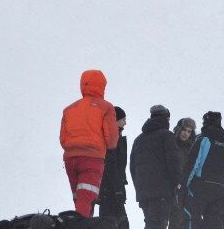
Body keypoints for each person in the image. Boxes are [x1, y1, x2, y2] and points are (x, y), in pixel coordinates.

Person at [60, 69, 120, 217]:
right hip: (92, 159)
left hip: (70, 159)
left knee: (79, 200)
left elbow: (63, 139)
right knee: (87, 200)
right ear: (102, 86)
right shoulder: (106, 107)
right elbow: (112, 140)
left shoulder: (69, 109)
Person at [130, 106, 182, 229]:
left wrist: (139, 188)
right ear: (166, 118)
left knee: (151, 223)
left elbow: (132, 167)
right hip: (162, 192)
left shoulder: (139, 139)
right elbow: (173, 162)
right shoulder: (166, 136)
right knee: (158, 224)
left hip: (144, 192)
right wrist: (177, 182)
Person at [184, 111, 224, 229]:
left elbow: (193, 164)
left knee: (194, 219)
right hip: (218, 188)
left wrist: (185, 185)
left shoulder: (203, 140)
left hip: (200, 187)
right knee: (214, 221)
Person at [99, 106, 130, 228]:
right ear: (115, 120)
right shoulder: (112, 138)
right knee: (116, 223)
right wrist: (118, 189)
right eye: (123, 119)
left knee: (111, 222)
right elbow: (111, 165)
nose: (125, 123)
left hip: (110, 188)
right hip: (111, 189)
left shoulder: (116, 137)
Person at [172, 117, 197, 221]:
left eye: (189, 131)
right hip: (172, 187)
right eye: (184, 130)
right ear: (178, 129)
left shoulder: (192, 148)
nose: (185, 133)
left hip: (186, 188)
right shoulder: (170, 144)